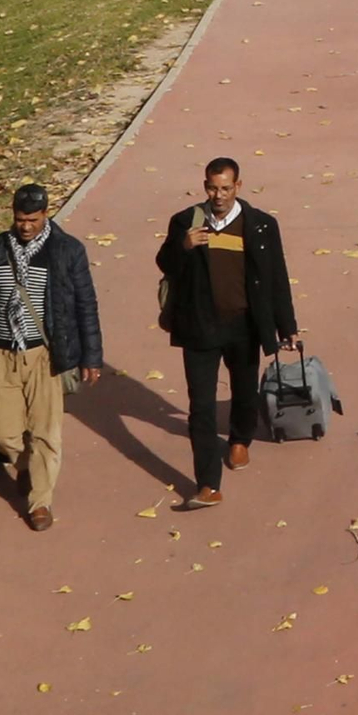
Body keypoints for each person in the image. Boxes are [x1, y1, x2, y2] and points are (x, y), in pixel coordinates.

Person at [0, 184, 104, 531]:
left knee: (45, 431)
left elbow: (86, 306)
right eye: (20, 219)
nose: (25, 226)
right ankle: (25, 465)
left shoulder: (67, 251)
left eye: (32, 220)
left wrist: (91, 356)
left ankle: (40, 501)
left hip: (44, 354)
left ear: (45, 214)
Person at [155, 157, 297, 509]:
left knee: (244, 388)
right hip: (200, 327)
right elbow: (165, 263)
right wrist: (183, 247)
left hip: (244, 326)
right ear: (204, 185)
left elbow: (277, 276)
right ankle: (207, 484)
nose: (217, 195)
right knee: (200, 406)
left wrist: (287, 326)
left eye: (224, 188)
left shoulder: (261, 225)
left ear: (238, 187)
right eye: (211, 187)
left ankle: (239, 438)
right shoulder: (185, 221)